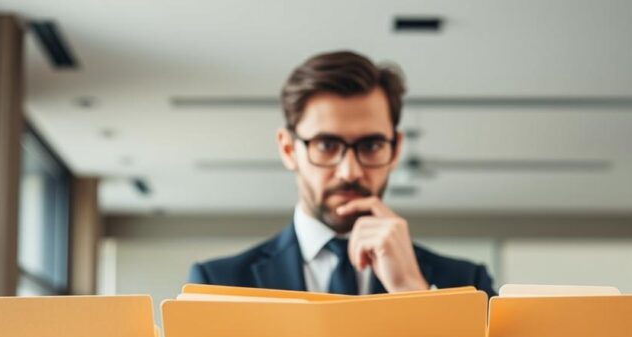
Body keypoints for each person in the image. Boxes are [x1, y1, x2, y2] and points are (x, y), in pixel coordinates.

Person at [188, 51, 496, 296]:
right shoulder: (218, 286)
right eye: (326, 144)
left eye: (372, 145)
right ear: (288, 149)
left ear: (396, 147)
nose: (350, 171)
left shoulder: (467, 284)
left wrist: (413, 291)